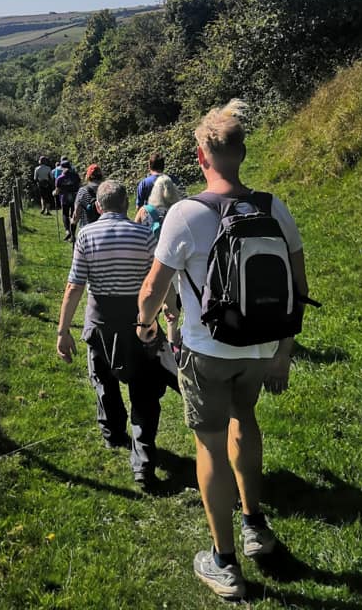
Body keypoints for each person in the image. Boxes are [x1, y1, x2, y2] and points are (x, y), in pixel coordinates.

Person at [136, 100, 308, 600]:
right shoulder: (275, 208)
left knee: (208, 441)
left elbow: (151, 291)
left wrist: (145, 325)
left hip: (207, 349)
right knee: (244, 422)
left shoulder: (185, 214)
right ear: (243, 152)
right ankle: (255, 525)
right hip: (258, 348)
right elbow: (298, 288)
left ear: (200, 157)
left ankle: (224, 562)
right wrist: (282, 353)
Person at [56, 180, 171, 487]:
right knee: (144, 391)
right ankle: (144, 462)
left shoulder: (85, 235)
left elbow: (75, 286)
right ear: (126, 205)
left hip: (100, 322)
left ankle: (113, 433)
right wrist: (168, 313)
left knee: (104, 380)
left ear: (97, 206)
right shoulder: (145, 235)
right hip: (138, 322)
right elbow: (157, 282)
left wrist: (63, 330)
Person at [71, 163, 103, 233]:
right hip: (104, 229)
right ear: (101, 176)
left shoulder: (83, 191)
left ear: (88, 176)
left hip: (87, 230)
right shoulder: (106, 189)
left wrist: (73, 224)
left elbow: (77, 213)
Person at [54, 158, 80, 242]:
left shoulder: (60, 178)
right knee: (73, 215)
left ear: (62, 168)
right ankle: (73, 235)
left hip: (64, 198)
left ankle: (67, 231)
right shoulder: (76, 176)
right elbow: (79, 186)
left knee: (65, 214)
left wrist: (54, 193)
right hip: (74, 197)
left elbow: (57, 191)